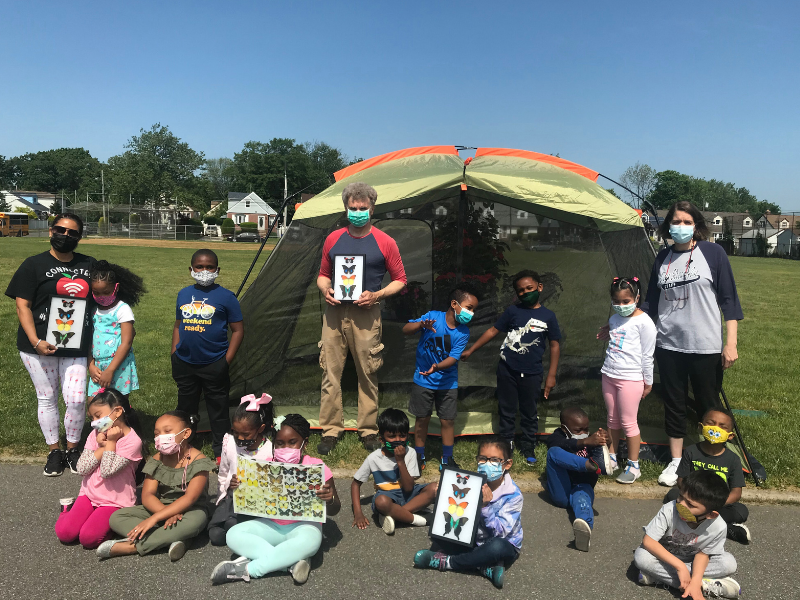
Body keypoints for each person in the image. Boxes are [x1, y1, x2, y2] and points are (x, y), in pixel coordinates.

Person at [644, 202, 743, 487]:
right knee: (673, 404)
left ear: (697, 225)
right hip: (668, 344)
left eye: (687, 221)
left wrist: (731, 343)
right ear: (668, 226)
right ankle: (676, 462)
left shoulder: (713, 253)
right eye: (676, 221)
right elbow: (651, 301)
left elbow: (729, 301)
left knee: (708, 406)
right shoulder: (662, 257)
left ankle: (712, 460)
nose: (681, 226)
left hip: (706, 346)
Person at [316, 182, 407, 454]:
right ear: (346, 208)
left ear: (372, 207)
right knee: (330, 372)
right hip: (334, 313)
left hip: (367, 313)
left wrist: (376, 295)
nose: (357, 212)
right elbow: (322, 274)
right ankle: (331, 430)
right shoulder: (333, 238)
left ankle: (368, 430)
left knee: (367, 372)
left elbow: (400, 280)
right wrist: (325, 289)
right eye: (353, 208)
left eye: (362, 208)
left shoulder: (385, 241)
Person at [6, 212, 95, 476]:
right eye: (60, 230)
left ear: (79, 237)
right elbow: (22, 305)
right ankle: (54, 451)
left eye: (72, 233)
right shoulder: (33, 264)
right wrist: (35, 340)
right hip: (39, 345)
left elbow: (106, 294)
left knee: (77, 400)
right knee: (47, 398)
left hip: (76, 344)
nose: (65, 236)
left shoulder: (89, 264)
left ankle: (73, 448)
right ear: (50, 231)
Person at [211, 414, 341, 585]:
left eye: (292, 442)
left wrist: (329, 498)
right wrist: (237, 487)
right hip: (270, 525)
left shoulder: (318, 467)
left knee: (310, 541)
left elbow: (335, 508)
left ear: (305, 443)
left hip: (303, 527)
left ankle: (247, 570)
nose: (285, 447)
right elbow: (250, 501)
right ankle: (290, 562)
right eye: (279, 443)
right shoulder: (264, 465)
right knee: (233, 535)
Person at [461, 270, 561, 464]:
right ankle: (506, 444)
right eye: (521, 290)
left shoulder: (548, 316)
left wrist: (552, 375)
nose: (525, 293)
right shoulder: (513, 311)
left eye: (529, 288)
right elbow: (492, 330)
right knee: (506, 409)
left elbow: (555, 345)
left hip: (532, 373)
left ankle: (529, 445)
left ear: (539, 287)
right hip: (507, 369)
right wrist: (471, 349)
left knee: (529, 411)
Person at [98, 411, 215, 561]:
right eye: (157, 433)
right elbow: (147, 495)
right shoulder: (156, 459)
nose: (161, 437)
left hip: (191, 510)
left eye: (167, 431)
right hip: (160, 506)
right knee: (117, 517)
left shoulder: (199, 461)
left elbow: (189, 498)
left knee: (194, 522)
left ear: (185, 433)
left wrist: (154, 519)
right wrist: (166, 513)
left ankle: (133, 547)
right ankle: (176, 539)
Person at [413, 436, 523, 590]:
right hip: (474, 539)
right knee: (440, 533)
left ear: (507, 463)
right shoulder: (471, 483)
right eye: (483, 459)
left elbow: (502, 533)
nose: (487, 464)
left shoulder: (513, 495)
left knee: (497, 547)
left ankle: (448, 562)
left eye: (494, 460)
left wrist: (486, 507)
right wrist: (443, 497)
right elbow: (457, 514)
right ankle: (484, 567)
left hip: (502, 543)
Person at [172, 249, 244, 460]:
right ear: (191, 269)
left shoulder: (226, 297)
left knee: (218, 409)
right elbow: (178, 325)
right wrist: (174, 352)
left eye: (210, 267)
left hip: (215, 363)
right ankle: (182, 446)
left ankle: (220, 451)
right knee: (185, 409)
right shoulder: (183, 294)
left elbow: (238, 331)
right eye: (200, 267)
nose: (205, 271)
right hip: (185, 362)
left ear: (217, 269)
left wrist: (225, 361)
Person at [55, 388, 144, 549]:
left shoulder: (132, 441)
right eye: (92, 417)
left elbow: (107, 471)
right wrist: (101, 448)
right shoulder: (95, 434)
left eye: (98, 415)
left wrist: (110, 443)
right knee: (65, 533)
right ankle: (66, 510)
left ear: (117, 412)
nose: (94, 422)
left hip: (115, 501)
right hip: (89, 494)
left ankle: (111, 527)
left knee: (88, 538)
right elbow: (82, 468)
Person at [403, 285, 480, 471]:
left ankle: (447, 459)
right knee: (422, 419)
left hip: (447, 382)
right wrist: (421, 325)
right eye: (468, 308)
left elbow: (453, 358)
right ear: (454, 304)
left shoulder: (463, 332)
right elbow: (406, 329)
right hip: (423, 380)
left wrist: (436, 366)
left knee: (447, 421)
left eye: (473, 310)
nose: (471, 313)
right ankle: (419, 455)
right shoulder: (432, 317)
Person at [634, 470, 741, 599]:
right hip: (665, 558)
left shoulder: (718, 526)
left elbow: (703, 554)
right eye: (680, 497)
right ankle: (703, 585)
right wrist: (680, 567)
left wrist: (695, 580)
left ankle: (663, 579)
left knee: (728, 563)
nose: (681, 504)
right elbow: (648, 541)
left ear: (711, 515)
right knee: (642, 557)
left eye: (690, 504)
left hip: (693, 561)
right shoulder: (669, 509)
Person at [598, 276, 656, 484]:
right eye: (617, 302)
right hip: (609, 374)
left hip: (630, 379)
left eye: (626, 301)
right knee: (612, 419)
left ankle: (634, 465)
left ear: (637, 298)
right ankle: (612, 458)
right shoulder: (614, 319)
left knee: (629, 422)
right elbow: (616, 333)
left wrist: (648, 382)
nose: (621, 306)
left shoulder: (645, 322)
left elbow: (647, 355)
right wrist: (607, 330)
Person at [663, 409, 750, 545]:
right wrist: (695, 500)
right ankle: (721, 528)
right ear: (700, 427)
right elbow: (681, 481)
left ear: (730, 435)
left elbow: (736, 492)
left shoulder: (733, 459)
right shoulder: (691, 451)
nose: (716, 428)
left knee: (741, 510)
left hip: (717, 504)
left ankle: (691, 523)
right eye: (711, 423)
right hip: (692, 501)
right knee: (672, 495)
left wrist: (712, 504)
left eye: (722, 426)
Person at [352, 408, 436, 535]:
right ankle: (418, 520)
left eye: (402, 436)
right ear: (381, 439)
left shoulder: (411, 452)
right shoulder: (373, 458)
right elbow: (355, 484)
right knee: (381, 502)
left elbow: (408, 488)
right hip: (388, 497)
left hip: (409, 494)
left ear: (407, 435)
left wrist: (400, 461)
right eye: (392, 436)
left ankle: (395, 515)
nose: (398, 440)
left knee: (435, 488)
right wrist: (358, 513)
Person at [208, 393, 275, 546]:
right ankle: (237, 530)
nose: (240, 438)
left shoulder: (270, 451)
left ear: (260, 429)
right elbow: (223, 472)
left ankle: (243, 532)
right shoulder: (229, 442)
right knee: (215, 535)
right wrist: (222, 495)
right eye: (236, 432)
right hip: (231, 498)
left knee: (232, 526)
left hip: (254, 504)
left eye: (246, 434)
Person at [545, 407, 613, 552]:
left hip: (582, 487)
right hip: (562, 490)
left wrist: (606, 440)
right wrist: (585, 442)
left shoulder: (592, 439)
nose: (583, 433)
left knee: (583, 501)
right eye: (578, 430)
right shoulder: (557, 437)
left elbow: (603, 447)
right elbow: (554, 443)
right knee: (553, 452)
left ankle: (584, 532)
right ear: (565, 428)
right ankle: (590, 466)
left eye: (586, 429)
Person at [87, 260, 146, 400]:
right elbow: (89, 340)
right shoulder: (93, 310)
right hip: (98, 367)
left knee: (118, 405)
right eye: (96, 293)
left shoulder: (123, 309)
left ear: (116, 288)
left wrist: (111, 370)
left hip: (119, 366)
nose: (101, 297)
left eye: (106, 292)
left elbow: (126, 342)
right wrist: (90, 365)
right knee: (93, 405)